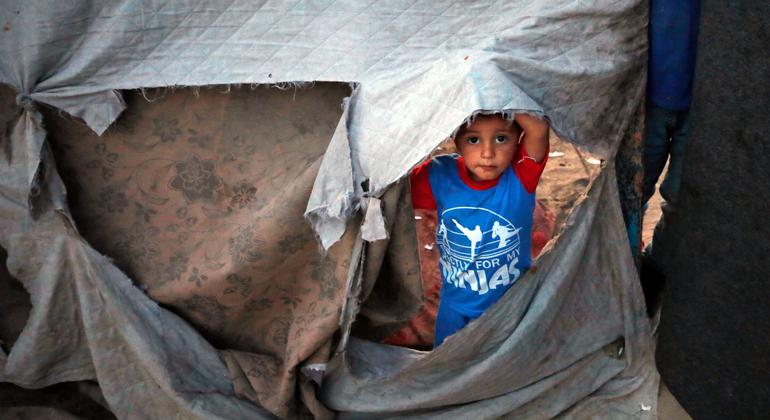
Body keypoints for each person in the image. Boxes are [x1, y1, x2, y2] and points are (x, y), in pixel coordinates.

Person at [410, 112, 549, 347]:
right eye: (473, 140)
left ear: (518, 140)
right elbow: (393, 192)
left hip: (509, 309)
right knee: (447, 369)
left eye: (501, 139)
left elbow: (539, 130)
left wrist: (494, 97)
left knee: (500, 374)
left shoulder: (521, 174)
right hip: (453, 308)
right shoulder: (440, 175)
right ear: (457, 142)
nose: (488, 153)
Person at [643, 0, 701, 241]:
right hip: (647, 103)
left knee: (681, 196)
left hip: (703, 109)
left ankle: (659, 259)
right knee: (631, 189)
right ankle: (624, 256)